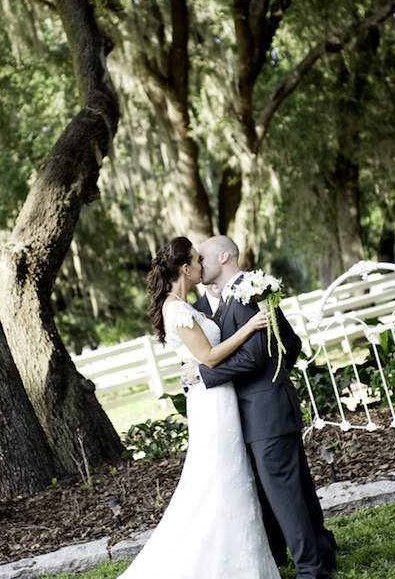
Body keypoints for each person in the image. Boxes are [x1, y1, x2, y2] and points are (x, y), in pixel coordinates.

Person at [118, 236, 281, 578]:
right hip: (211, 400)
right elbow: (208, 356)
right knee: (219, 476)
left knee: (230, 473)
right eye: (196, 259)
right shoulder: (175, 308)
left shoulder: (183, 304)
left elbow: (200, 356)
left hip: (217, 394)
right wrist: (250, 327)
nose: (201, 264)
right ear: (184, 268)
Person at [185, 235, 338, 579]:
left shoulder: (250, 293)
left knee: (287, 494)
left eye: (203, 257)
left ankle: (312, 571)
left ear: (223, 256)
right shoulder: (213, 302)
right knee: (294, 489)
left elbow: (258, 355)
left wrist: (206, 374)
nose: (198, 264)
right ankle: (321, 557)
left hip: (265, 409)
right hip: (253, 411)